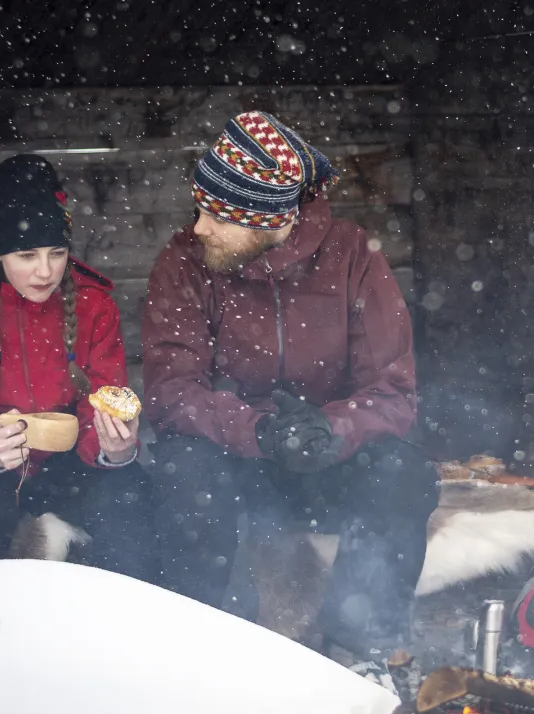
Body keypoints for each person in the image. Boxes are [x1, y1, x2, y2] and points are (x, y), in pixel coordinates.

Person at [143, 111, 437, 681]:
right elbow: (172, 393)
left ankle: (363, 653)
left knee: (404, 473)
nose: (199, 226)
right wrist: (256, 429)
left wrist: (332, 431)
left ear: (262, 219)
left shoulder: (352, 255)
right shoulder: (184, 263)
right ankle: (200, 650)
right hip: (233, 461)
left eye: (215, 214)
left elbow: (394, 391)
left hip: (326, 463)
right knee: (183, 469)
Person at [0, 154, 154, 578]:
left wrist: (112, 448)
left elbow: (100, 403)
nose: (45, 271)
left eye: (57, 252)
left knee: (126, 502)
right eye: (27, 255)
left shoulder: (93, 304)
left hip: (68, 461)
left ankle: (121, 634)